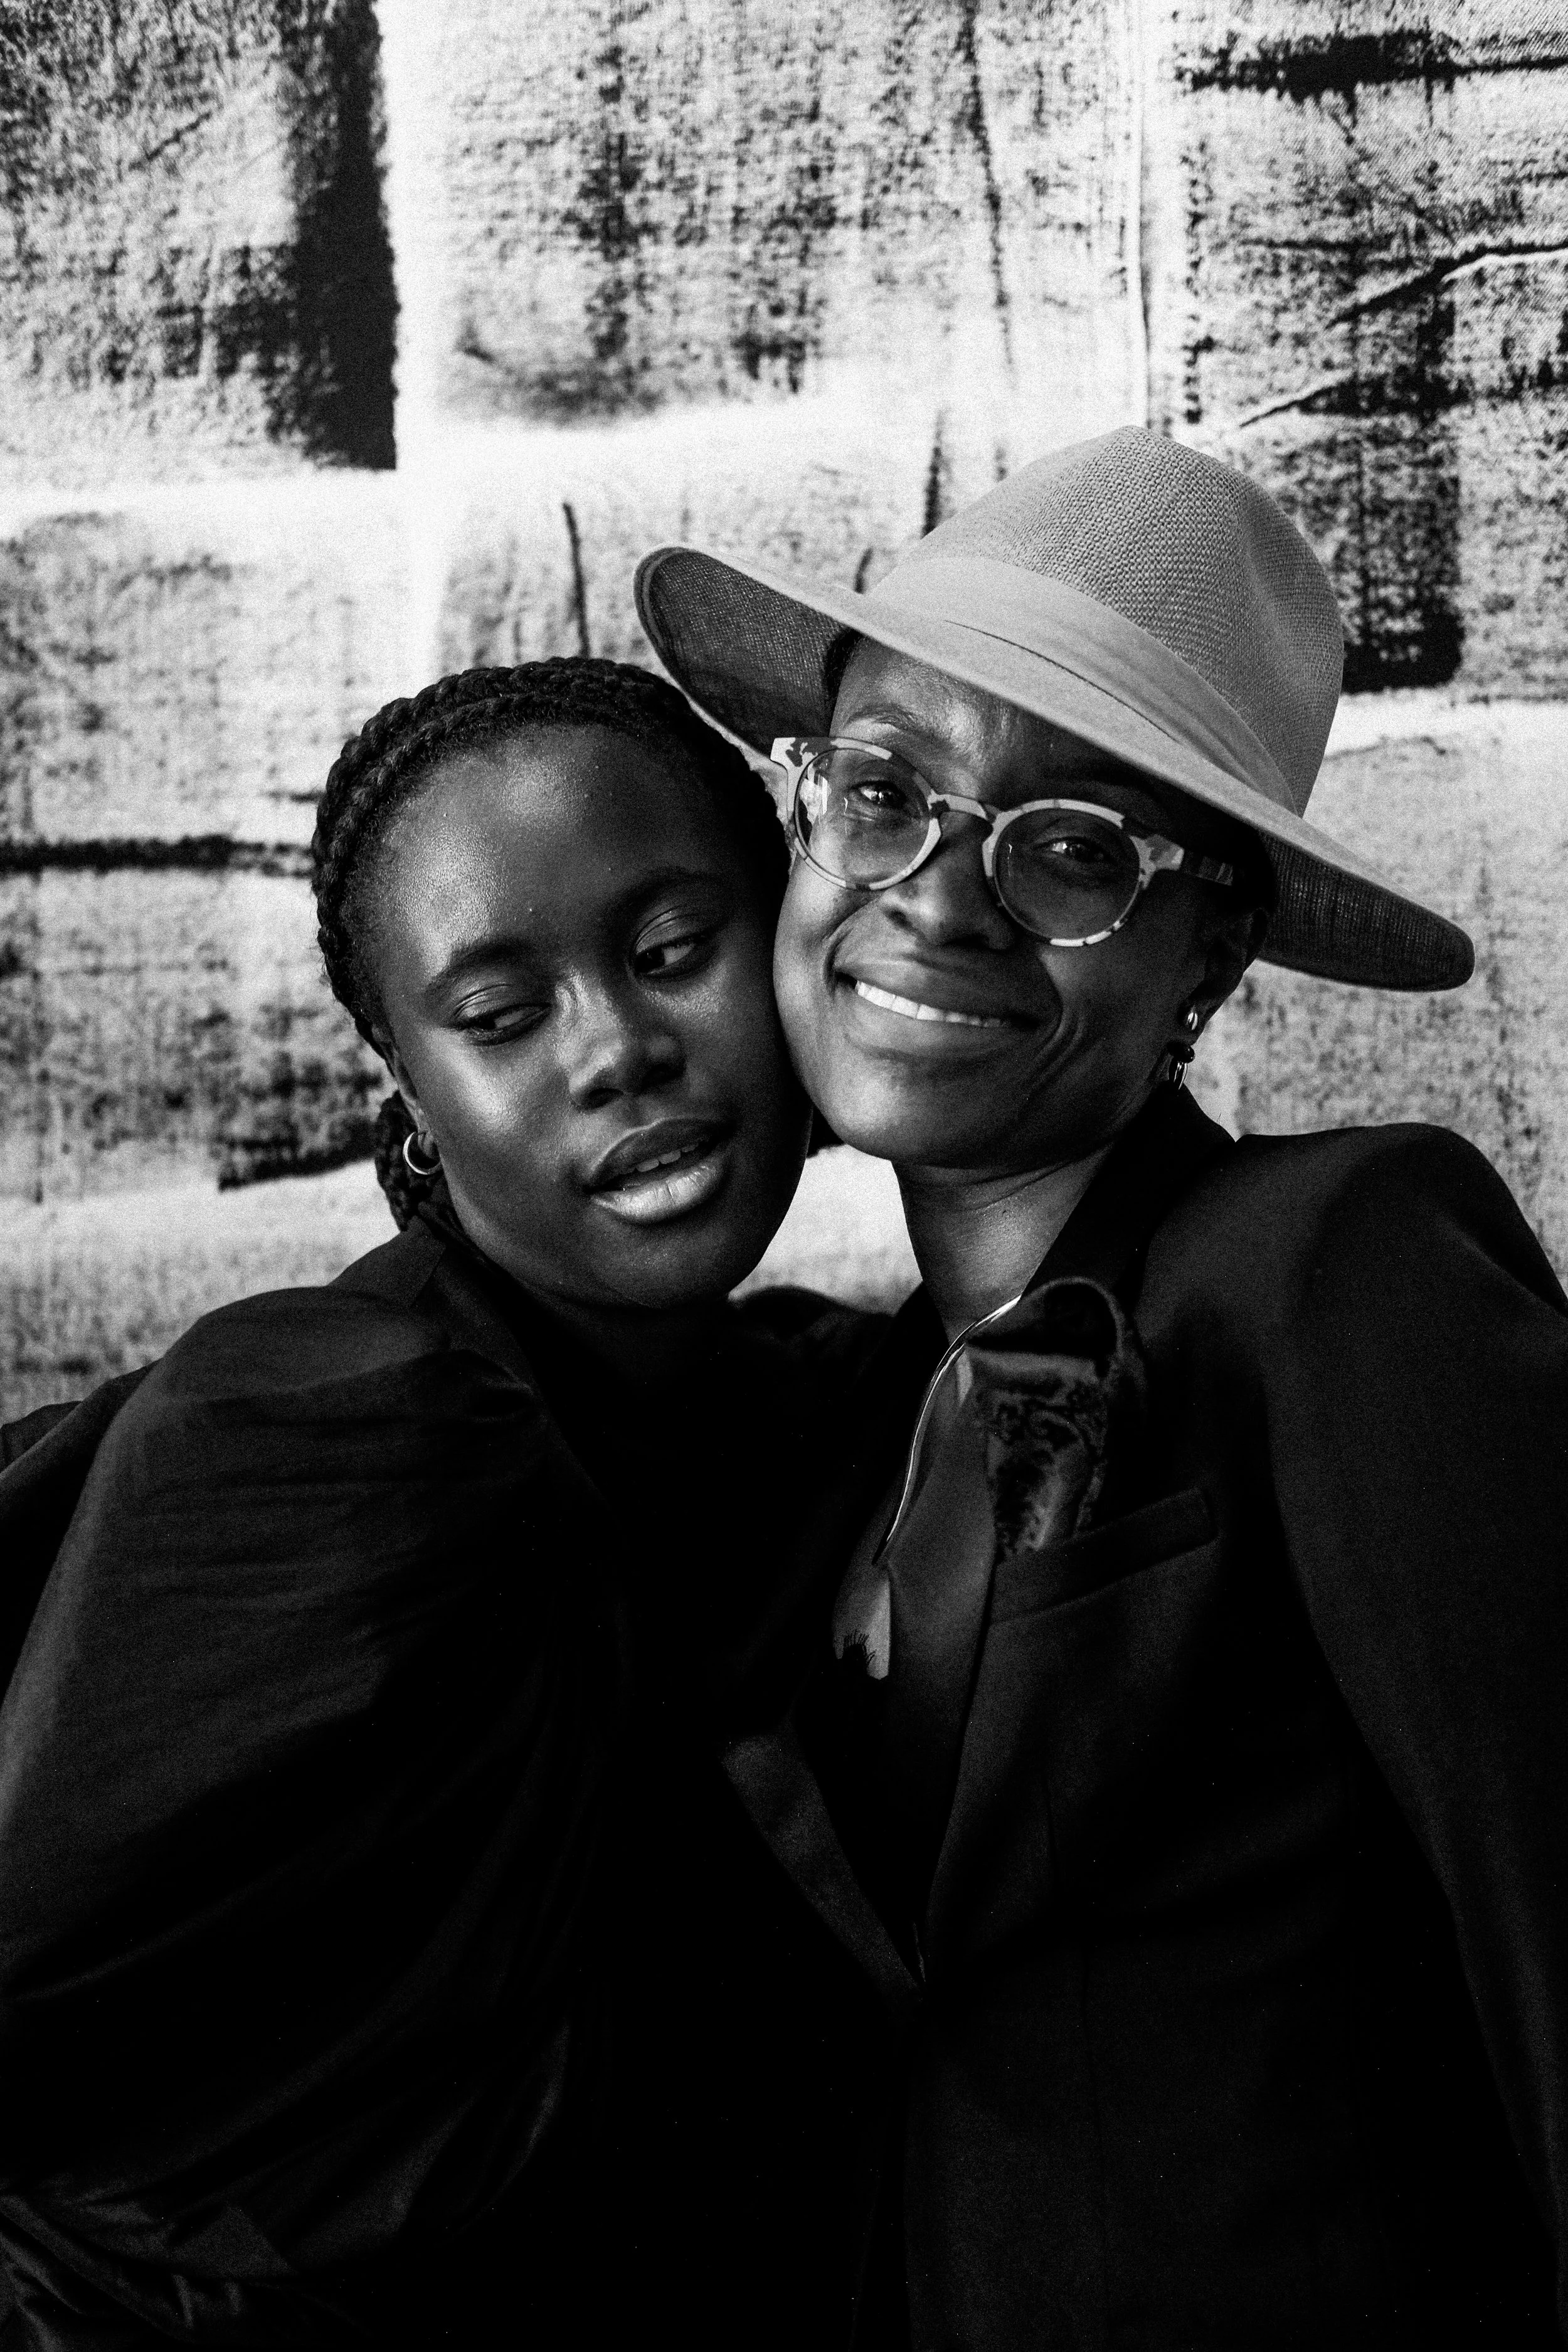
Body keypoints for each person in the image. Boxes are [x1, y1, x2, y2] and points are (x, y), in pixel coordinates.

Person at [636, 429, 1568, 2349]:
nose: (939, 899)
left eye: (1068, 851)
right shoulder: (850, 1413)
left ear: (1206, 951)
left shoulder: (1340, 1264)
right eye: (883, 791)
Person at [0, 658, 893, 2349]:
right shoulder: (335, 1424)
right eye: (498, 1015)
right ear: (405, 1087)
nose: (619, 1049)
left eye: (669, 952)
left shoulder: (810, 1410)